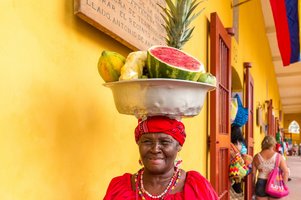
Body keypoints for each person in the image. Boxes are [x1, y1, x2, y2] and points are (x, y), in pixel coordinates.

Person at [103, 116, 218, 199]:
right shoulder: (119, 188)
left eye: (165, 142)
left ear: (179, 146)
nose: (155, 149)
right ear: (139, 144)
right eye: (147, 141)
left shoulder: (197, 188)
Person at [252, 136, 289, 200]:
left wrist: (254, 186)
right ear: (273, 144)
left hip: (260, 182)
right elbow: (286, 172)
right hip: (275, 183)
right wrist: (284, 185)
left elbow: (253, 174)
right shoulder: (278, 156)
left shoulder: (256, 157)